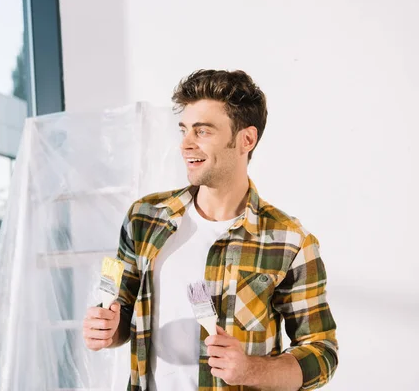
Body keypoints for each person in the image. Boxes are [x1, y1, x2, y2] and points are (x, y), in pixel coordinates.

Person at [83, 69, 338, 391]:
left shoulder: (289, 241)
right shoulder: (145, 218)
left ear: (246, 139)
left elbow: (322, 353)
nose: (185, 145)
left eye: (202, 132)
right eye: (184, 131)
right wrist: (108, 330)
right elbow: (124, 314)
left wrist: (249, 370)